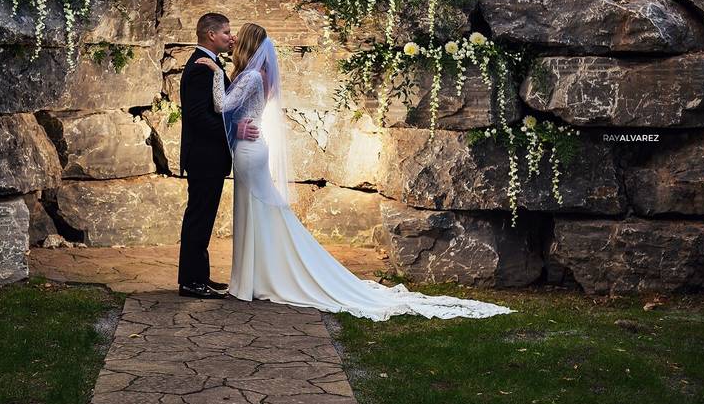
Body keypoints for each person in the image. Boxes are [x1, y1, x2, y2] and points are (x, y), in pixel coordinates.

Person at [194, 22, 516, 321]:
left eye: (236, 36)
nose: (232, 39)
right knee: (258, 211)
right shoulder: (257, 74)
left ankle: (257, 278)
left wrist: (214, 72)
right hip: (251, 147)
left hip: (250, 153)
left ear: (246, 44)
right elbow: (238, 114)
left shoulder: (250, 77)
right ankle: (253, 277)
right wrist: (233, 109)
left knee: (258, 210)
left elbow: (223, 106)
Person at [177, 13, 260, 299]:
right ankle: (191, 283)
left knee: (203, 217)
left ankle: (199, 277)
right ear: (211, 35)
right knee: (199, 218)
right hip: (204, 156)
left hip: (208, 156)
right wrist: (235, 129)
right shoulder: (201, 69)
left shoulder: (208, 65)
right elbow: (199, 116)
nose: (231, 37)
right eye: (226, 32)